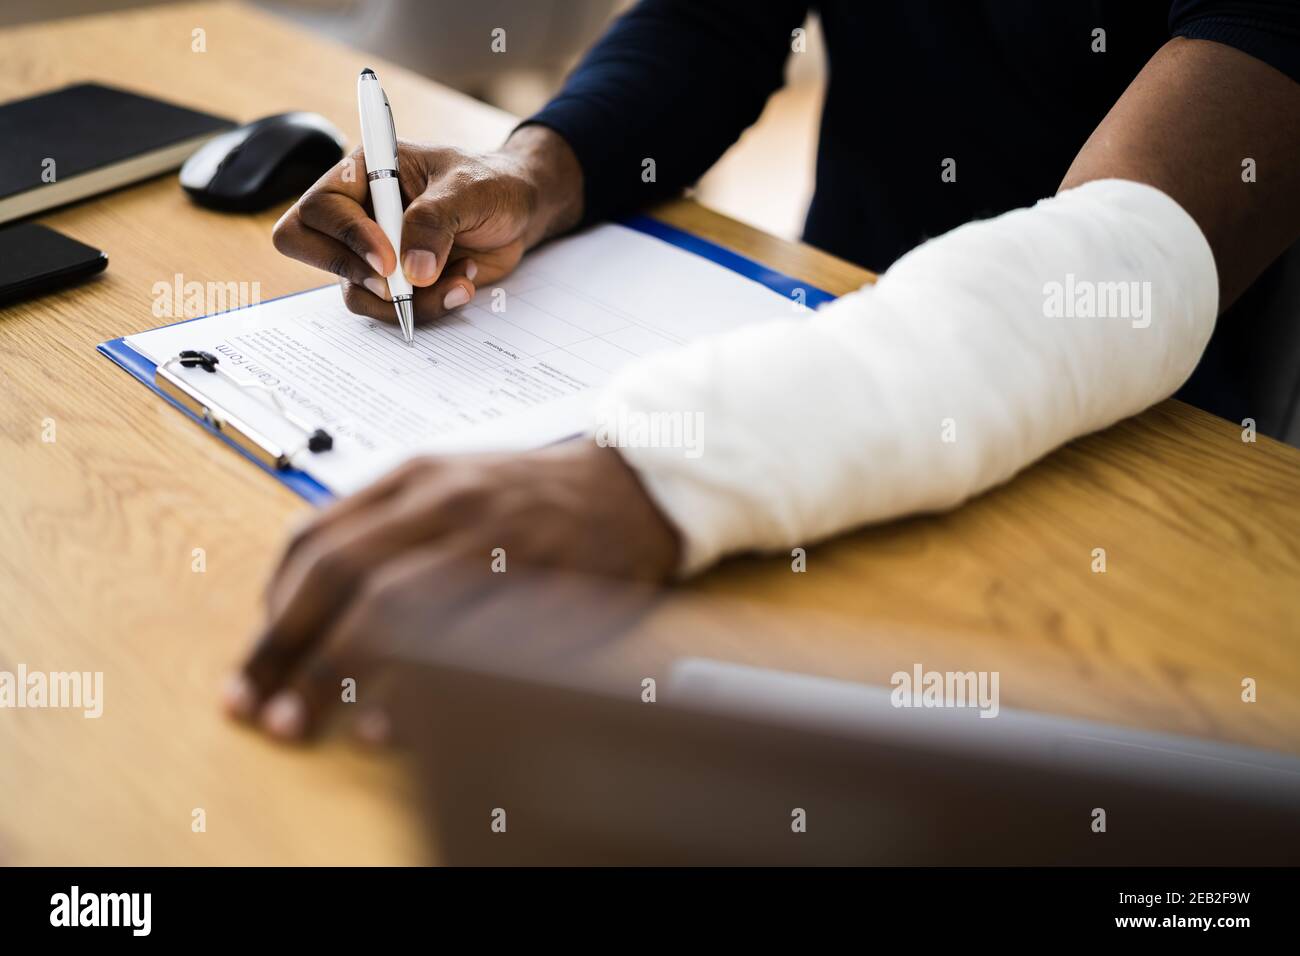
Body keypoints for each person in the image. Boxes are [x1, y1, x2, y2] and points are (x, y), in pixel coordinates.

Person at [225, 1, 1300, 740]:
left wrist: (653, 473)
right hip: (817, 346)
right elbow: (716, 24)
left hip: (1135, 473)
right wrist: (531, 171)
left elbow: (1132, 255)